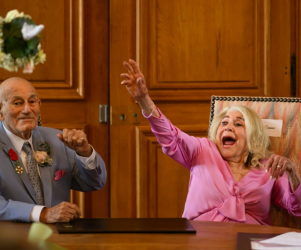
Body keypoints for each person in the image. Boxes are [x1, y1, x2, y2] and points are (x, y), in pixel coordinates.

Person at [121, 59, 301, 225]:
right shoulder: (202, 150)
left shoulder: (269, 168)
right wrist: (144, 100)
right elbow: (170, 136)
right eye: (224, 123)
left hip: (250, 242)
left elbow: (296, 208)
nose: (228, 127)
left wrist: (292, 171)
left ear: (253, 136)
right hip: (200, 241)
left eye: (238, 124)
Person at [0, 77, 106, 223]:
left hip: (53, 237)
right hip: (4, 237)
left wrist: (85, 154)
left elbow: (93, 183)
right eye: (17, 103)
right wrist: (43, 214)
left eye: (32, 102)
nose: (27, 110)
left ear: (39, 105)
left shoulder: (57, 139)